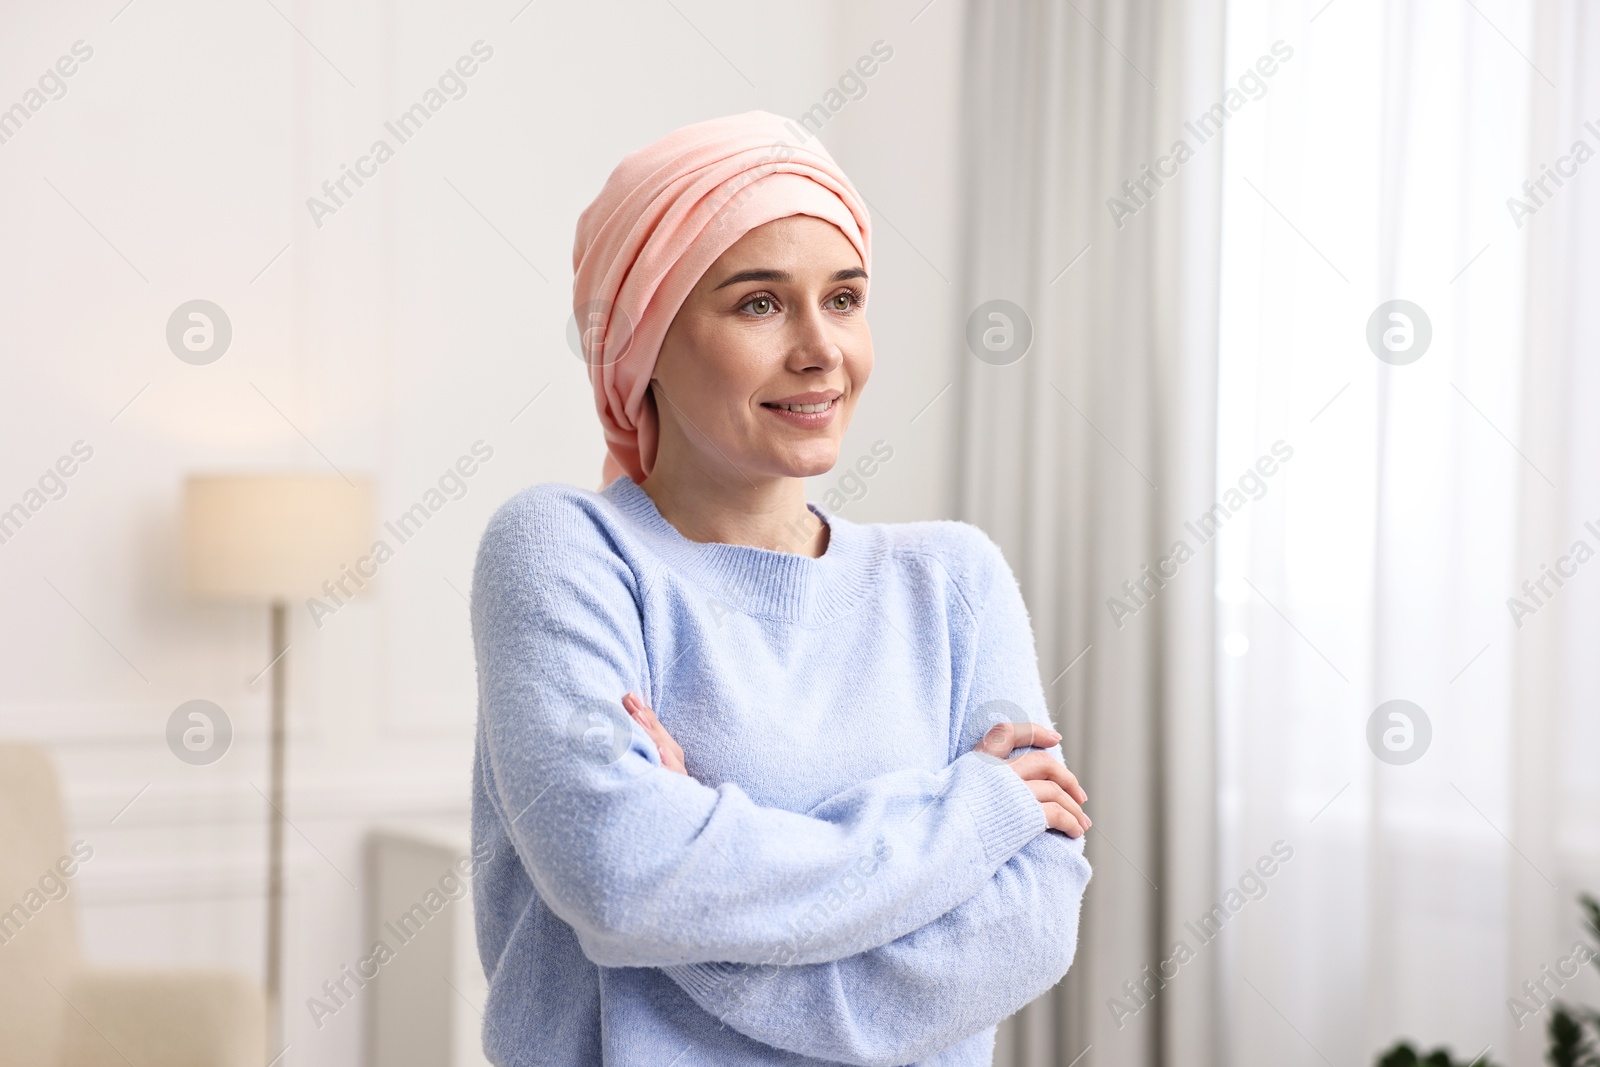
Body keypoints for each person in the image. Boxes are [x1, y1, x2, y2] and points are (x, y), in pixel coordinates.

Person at [469, 110, 1092, 1067]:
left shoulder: (954, 579)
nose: (820, 349)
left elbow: (1029, 931)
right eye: (760, 304)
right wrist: (977, 814)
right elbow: (616, 873)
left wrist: (695, 895)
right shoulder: (566, 552)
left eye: (844, 299)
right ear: (641, 341)